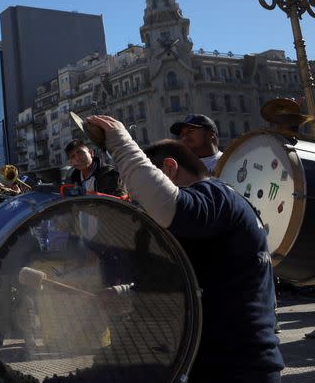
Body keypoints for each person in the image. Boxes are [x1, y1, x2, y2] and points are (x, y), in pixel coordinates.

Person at [87, 115, 284, 382]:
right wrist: (125, 294)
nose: (138, 200)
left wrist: (121, 144)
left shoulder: (217, 196)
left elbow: (168, 205)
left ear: (169, 168)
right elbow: (192, 280)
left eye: (137, 190)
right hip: (216, 363)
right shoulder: (208, 216)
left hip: (240, 367)